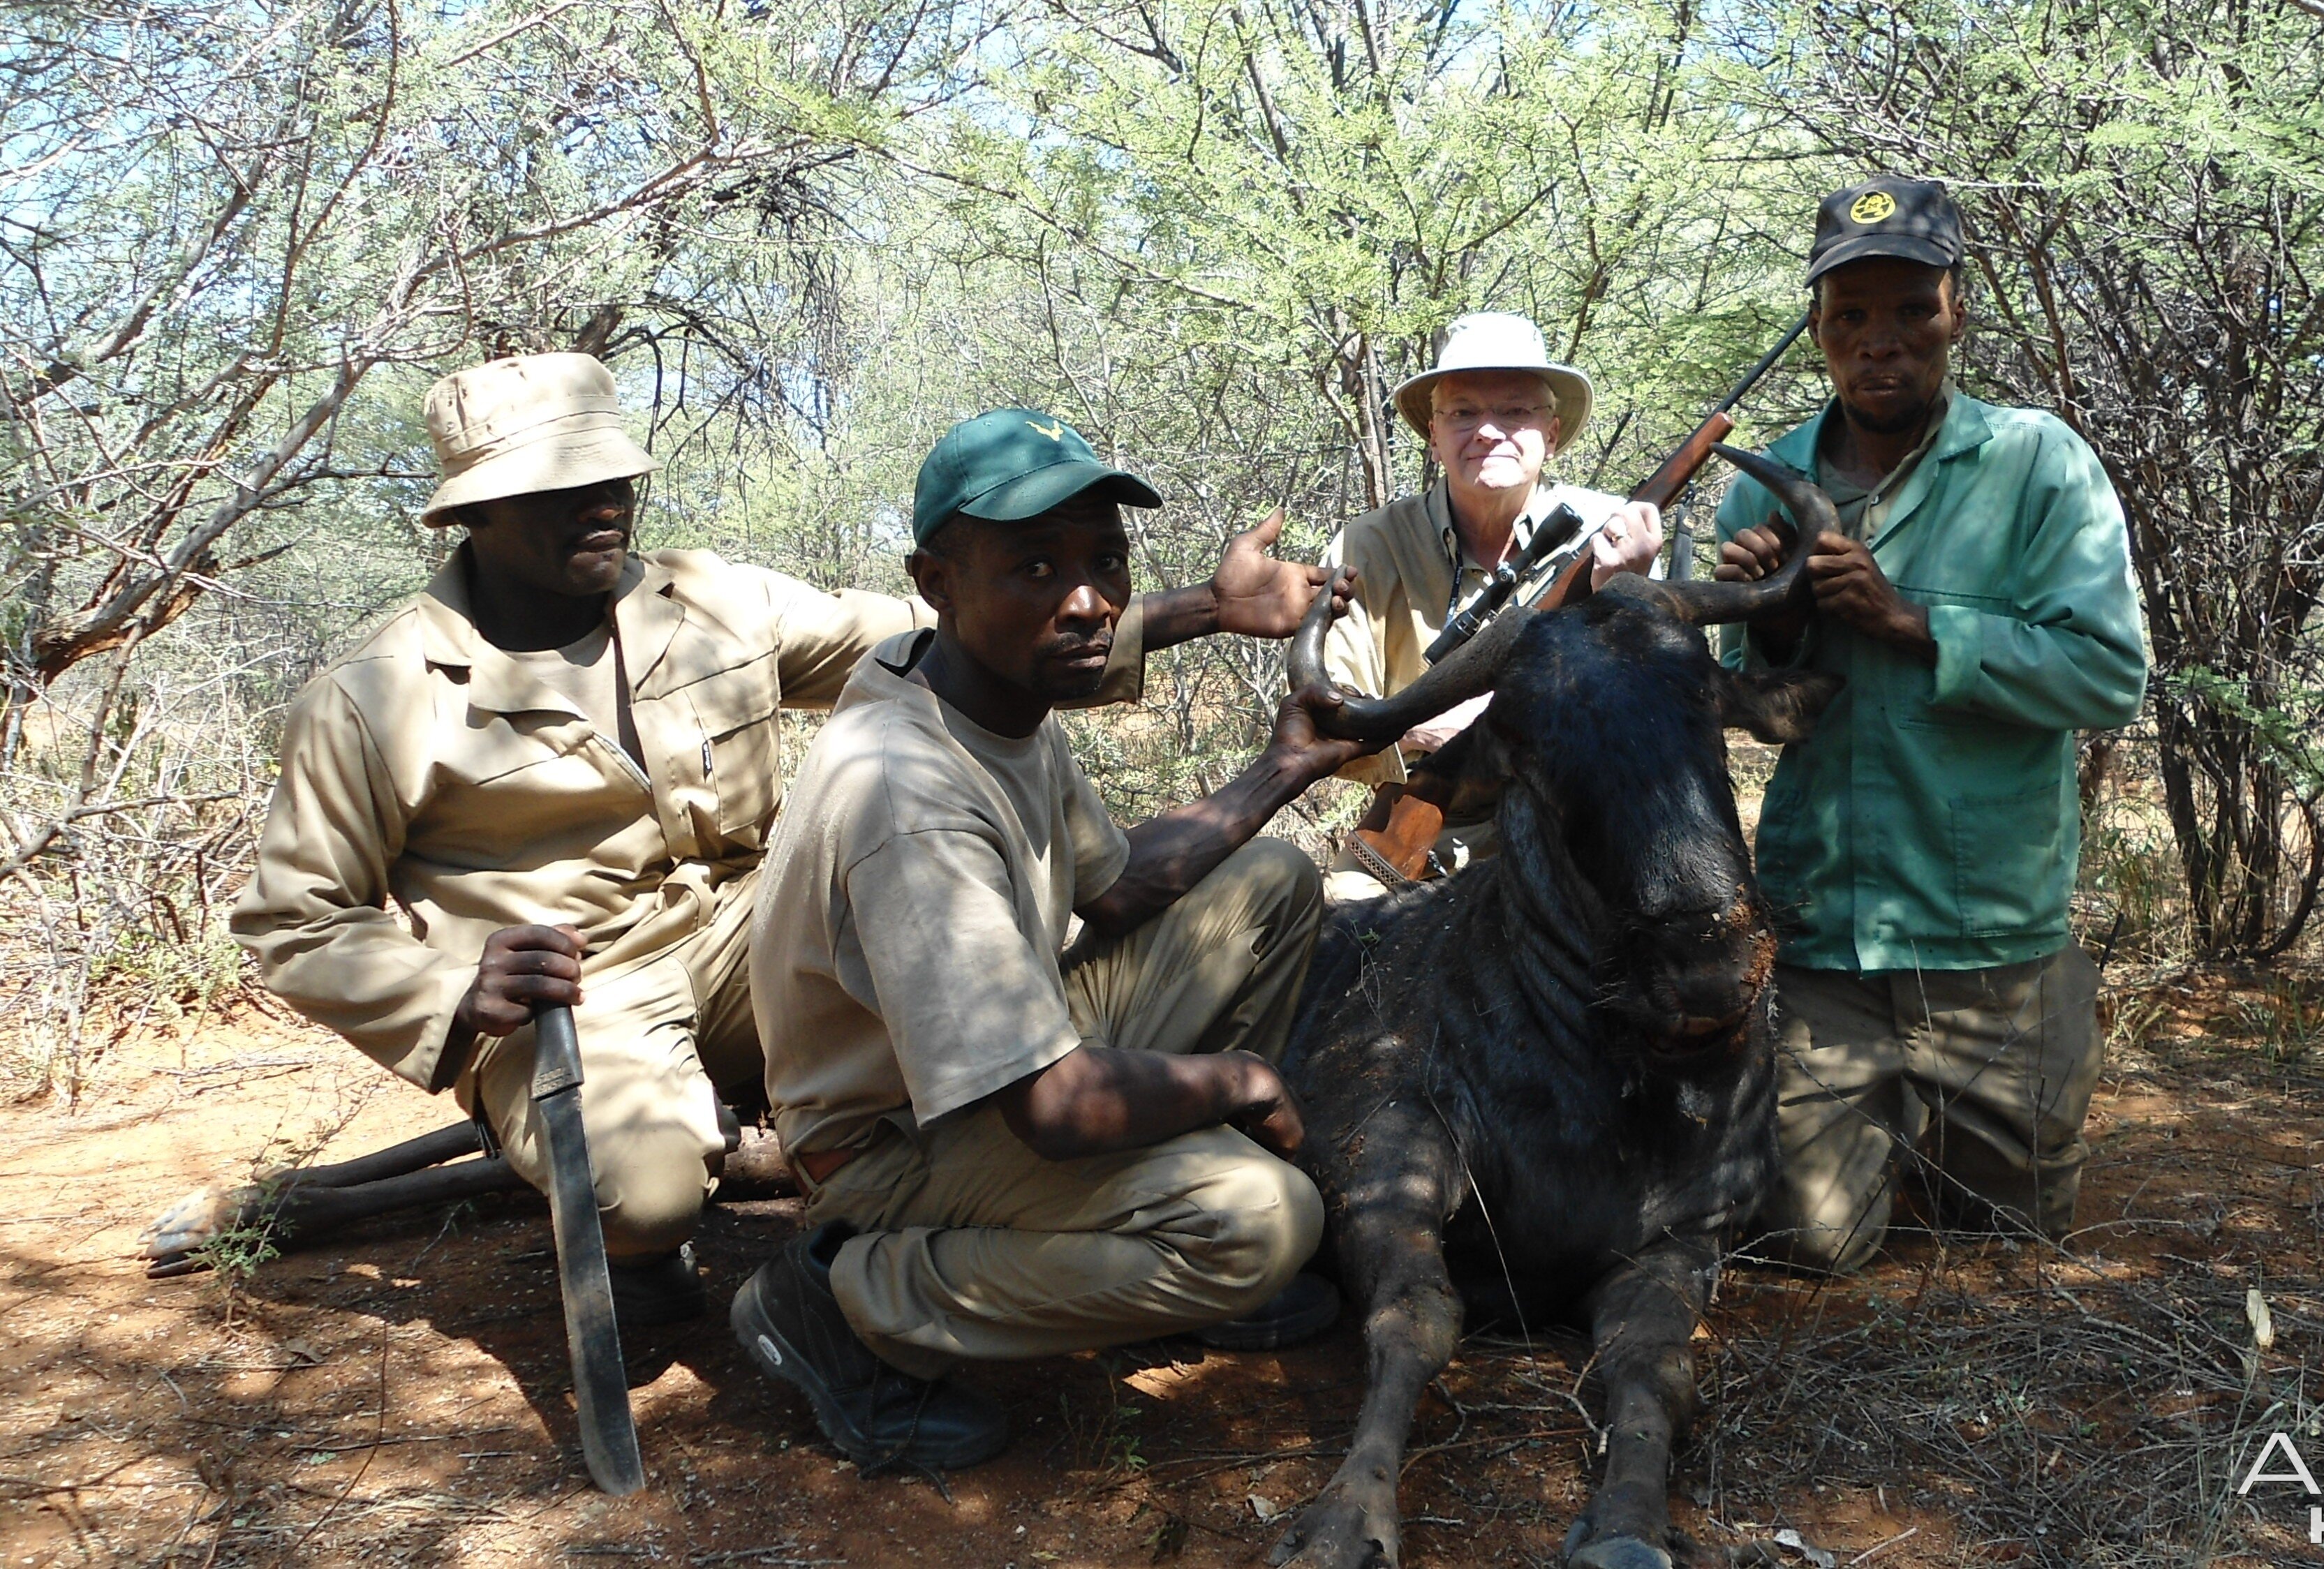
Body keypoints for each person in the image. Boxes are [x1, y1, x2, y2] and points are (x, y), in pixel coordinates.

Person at [230, 355, 1334, 1325]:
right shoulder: (378, 696)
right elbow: (294, 922)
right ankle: (664, 1242)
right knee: (651, 1188)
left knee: (971, 951)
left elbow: (960, 627)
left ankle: (890, 1154)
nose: (600, 506)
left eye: (611, 476)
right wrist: (460, 987)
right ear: (473, 512)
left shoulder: (710, 602)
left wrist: (1210, 609)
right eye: (559, 491)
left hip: (750, 942)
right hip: (583, 992)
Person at [734, 410, 1368, 1475]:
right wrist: (1240, 1083)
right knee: (1259, 1220)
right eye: (1035, 566)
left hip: (987, 1071)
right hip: (889, 1144)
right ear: (935, 579)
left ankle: (1136, 1239)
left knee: (1268, 881)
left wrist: (1286, 769)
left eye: (1104, 562)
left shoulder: (967, 678)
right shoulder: (910, 794)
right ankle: (848, 1297)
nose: (1089, 601)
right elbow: (1051, 1109)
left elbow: (1117, 892)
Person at [1714, 177, 2149, 1273]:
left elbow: (2107, 679)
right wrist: (1773, 627)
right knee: (1808, 1242)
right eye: (1850, 316)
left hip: (1991, 942)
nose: (1881, 343)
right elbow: (1755, 711)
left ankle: (1966, 1099)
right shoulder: (1761, 485)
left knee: (2008, 1236)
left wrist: (1913, 623)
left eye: (1911, 309)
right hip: (1826, 944)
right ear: (1818, 330)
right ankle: (1864, 1117)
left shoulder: (2038, 461)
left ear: (1958, 309)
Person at [1317, 311, 1664, 896]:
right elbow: (1327, 714)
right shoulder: (1366, 544)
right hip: (1427, 830)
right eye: (1463, 412)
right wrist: (1422, 726)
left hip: (1577, 825)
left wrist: (1630, 600)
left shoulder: (1614, 535)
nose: (1487, 431)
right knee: (1343, 922)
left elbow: (1657, 719)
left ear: (1551, 435)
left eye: (1515, 411)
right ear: (1433, 434)